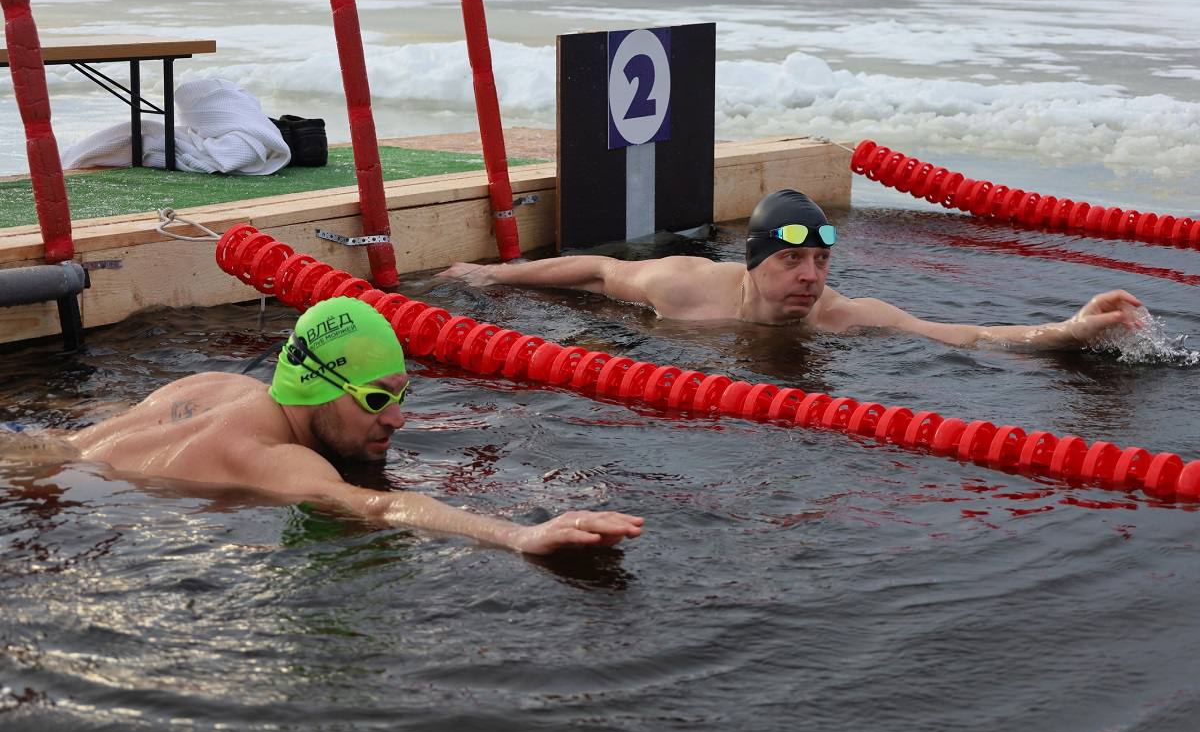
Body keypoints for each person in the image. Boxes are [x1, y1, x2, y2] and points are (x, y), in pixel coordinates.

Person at [44, 296, 644, 556]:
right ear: (317, 390)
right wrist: (519, 536)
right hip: (72, 503)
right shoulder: (274, 457)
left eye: (401, 393)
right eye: (376, 398)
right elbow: (384, 509)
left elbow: (90, 427)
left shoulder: (211, 389)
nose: (398, 417)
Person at [439, 189, 1146, 349]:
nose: (810, 276)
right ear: (751, 266)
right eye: (790, 260)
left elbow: (969, 336)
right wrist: (493, 279)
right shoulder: (681, 286)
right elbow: (595, 269)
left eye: (819, 260)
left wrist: (1068, 328)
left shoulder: (848, 315)